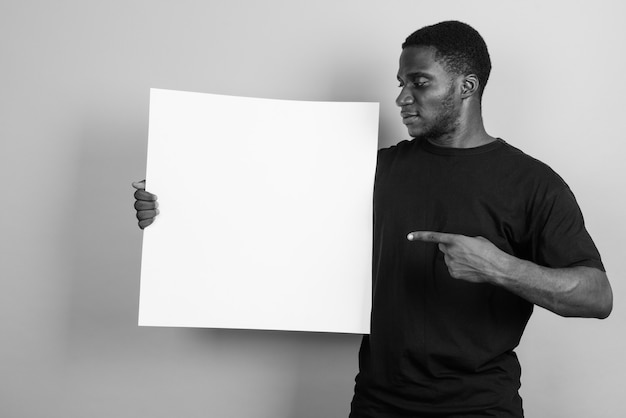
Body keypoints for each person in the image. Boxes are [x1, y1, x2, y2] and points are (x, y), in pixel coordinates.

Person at [133, 21, 612, 417]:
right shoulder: (374, 168)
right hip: (378, 403)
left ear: (468, 86)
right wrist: (173, 209)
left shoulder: (532, 184)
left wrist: (497, 266)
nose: (403, 97)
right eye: (401, 83)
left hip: (481, 407)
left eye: (419, 82)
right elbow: (264, 213)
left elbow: (596, 296)